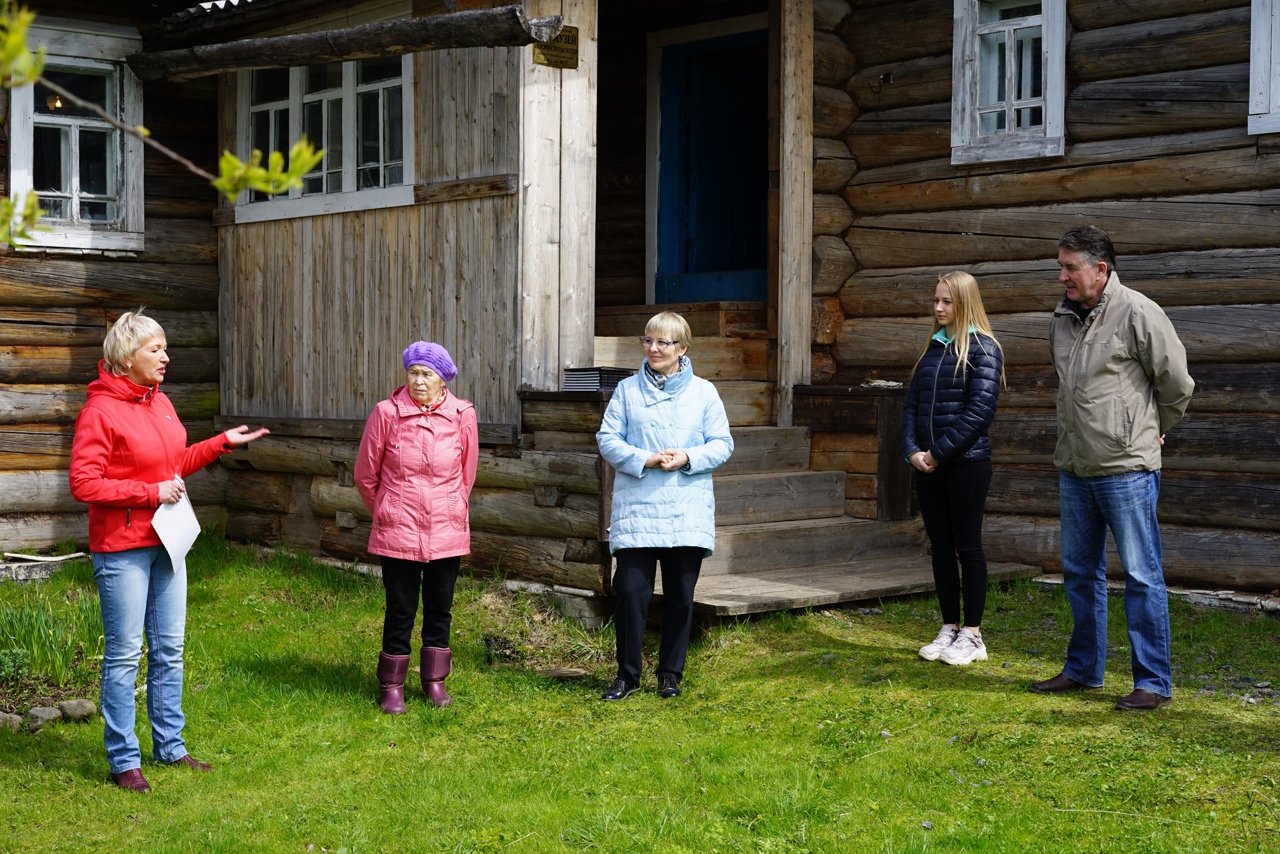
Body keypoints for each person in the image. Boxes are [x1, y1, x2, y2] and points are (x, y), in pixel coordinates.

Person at [69, 309, 269, 793]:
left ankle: (171, 747)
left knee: (170, 650)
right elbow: (84, 482)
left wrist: (221, 443)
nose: (166, 356)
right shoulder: (100, 411)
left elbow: (173, 463)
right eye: (155, 349)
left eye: (164, 348)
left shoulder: (160, 402)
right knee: (123, 655)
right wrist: (149, 493)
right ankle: (123, 759)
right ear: (125, 356)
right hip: (123, 550)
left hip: (168, 543)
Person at [1030, 226, 1194, 711]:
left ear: (1100, 270)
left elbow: (1177, 383)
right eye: (1060, 266)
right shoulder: (1061, 320)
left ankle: (1153, 682)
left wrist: (1149, 429)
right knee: (1080, 573)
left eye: (1070, 267)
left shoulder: (1138, 311)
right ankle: (1084, 670)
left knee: (1141, 575)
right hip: (1075, 467)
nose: (1062, 277)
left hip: (1127, 467)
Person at [595, 311, 733, 701]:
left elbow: (722, 444)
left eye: (663, 343)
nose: (653, 349)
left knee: (679, 596)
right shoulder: (627, 390)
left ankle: (670, 673)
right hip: (639, 510)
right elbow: (607, 439)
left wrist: (687, 457)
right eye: (648, 341)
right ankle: (627, 675)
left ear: (682, 348)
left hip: (686, 512)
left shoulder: (704, 392)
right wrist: (646, 459)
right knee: (632, 593)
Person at [355, 341, 478, 713]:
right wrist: (389, 509)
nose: (418, 381)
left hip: (447, 529)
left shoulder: (462, 415)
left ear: (443, 380)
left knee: (440, 608)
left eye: (427, 374)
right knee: (400, 609)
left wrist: (454, 506)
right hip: (398, 530)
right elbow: (365, 475)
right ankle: (392, 686)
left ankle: (434, 683)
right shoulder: (386, 413)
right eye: (413, 372)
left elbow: (466, 474)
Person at [902, 271, 1005, 667]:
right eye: (936, 301)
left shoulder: (984, 349)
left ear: (965, 303)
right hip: (928, 465)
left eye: (947, 302)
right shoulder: (932, 349)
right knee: (941, 547)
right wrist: (912, 450)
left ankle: (974, 636)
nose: (939, 308)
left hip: (966, 464)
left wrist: (938, 453)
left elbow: (979, 411)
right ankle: (950, 627)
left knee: (969, 546)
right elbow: (911, 405)